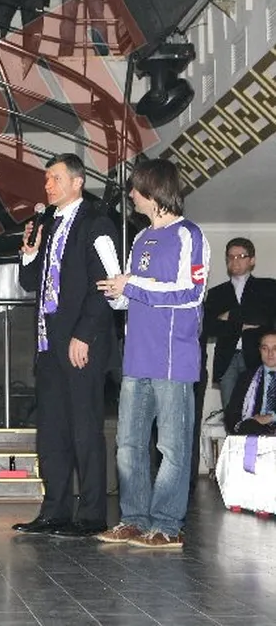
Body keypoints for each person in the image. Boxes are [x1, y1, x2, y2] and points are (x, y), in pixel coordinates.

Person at [97, 158, 210, 549]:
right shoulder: (141, 237)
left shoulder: (189, 235)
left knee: (172, 448)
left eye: (135, 188)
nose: (130, 194)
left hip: (172, 358)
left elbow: (190, 292)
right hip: (136, 356)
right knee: (128, 444)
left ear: (154, 189)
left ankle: (167, 524)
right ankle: (133, 519)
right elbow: (133, 298)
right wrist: (117, 292)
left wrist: (133, 285)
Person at [12, 153, 118, 537]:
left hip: (79, 343)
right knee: (51, 431)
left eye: (55, 178)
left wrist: (84, 334)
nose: (48, 185)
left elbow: (105, 285)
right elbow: (30, 284)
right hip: (48, 345)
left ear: (77, 182)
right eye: (46, 179)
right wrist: (29, 254)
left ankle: (91, 515)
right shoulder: (48, 224)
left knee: (84, 429)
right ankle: (54, 510)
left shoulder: (96, 223)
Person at [202, 238, 276, 408]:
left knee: (258, 408)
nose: (235, 260)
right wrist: (241, 325)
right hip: (227, 359)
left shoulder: (268, 287)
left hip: (258, 357)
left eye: (241, 256)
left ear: (252, 260)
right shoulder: (216, 293)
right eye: (231, 256)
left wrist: (229, 315)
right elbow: (208, 327)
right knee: (230, 411)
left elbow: (262, 318)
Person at [224, 331, 276, 437]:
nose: (270, 353)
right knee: (250, 426)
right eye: (265, 348)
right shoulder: (246, 377)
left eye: (275, 348)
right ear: (260, 350)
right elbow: (232, 413)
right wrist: (241, 426)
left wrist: (271, 417)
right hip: (255, 429)